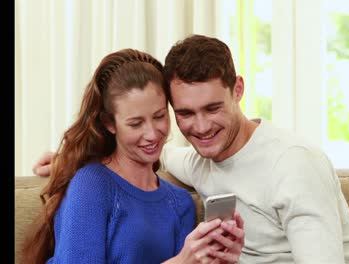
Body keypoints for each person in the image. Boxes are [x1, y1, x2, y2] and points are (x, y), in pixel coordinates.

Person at [33, 35, 349, 263]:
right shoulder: (198, 161)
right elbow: (153, 152)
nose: (200, 127)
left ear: (237, 89)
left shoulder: (293, 163)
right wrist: (76, 157)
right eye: (184, 113)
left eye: (212, 109)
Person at [22, 48, 245, 264]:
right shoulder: (92, 185)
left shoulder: (180, 203)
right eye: (136, 123)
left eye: (159, 116)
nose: (152, 134)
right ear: (109, 123)